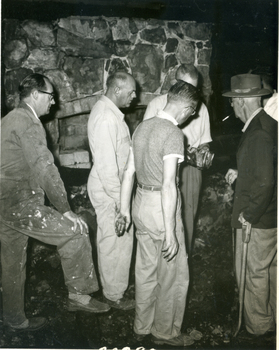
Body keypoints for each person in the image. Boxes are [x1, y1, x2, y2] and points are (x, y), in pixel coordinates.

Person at [0, 73, 110, 332]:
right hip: (21, 204)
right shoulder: (29, 123)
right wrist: (67, 211)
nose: (53, 102)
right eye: (50, 96)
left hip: (4, 205)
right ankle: (79, 296)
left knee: (12, 263)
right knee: (75, 231)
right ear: (35, 95)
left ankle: (15, 319)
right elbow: (45, 169)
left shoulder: (6, 120)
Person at [116, 81, 200, 346]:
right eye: (193, 111)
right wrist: (171, 232)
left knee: (145, 269)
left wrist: (123, 210)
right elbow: (168, 186)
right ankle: (165, 332)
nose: (192, 116)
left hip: (140, 204)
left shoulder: (142, 126)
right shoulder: (174, 133)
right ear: (186, 107)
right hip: (160, 208)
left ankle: (142, 325)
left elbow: (128, 172)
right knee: (173, 275)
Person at [224, 74, 277, 336]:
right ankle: (272, 319)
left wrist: (249, 215)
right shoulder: (270, 125)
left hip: (258, 219)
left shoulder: (258, 133)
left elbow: (266, 182)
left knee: (254, 274)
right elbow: (263, 171)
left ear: (243, 101)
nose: (232, 108)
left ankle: (258, 330)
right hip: (272, 216)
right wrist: (242, 176)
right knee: (271, 273)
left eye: (233, 101)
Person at [143, 64, 212, 255]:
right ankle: (163, 257)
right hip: (160, 168)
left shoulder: (201, 108)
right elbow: (146, 139)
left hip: (189, 171)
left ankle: (183, 256)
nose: (191, 92)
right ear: (175, 83)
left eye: (195, 88)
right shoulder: (156, 105)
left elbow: (205, 141)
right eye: (186, 86)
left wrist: (203, 153)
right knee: (161, 217)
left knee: (187, 216)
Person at [87, 71, 136, 310]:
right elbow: (107, 168)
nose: (134, 97)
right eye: (131, 92)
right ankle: (113, 294)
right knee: (112, 240)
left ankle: (116, 289)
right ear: (117, 90)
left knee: (121, 240)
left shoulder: (111, 113)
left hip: (114, 187)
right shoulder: (106, 117)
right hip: (110, 189)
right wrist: (121, 201)